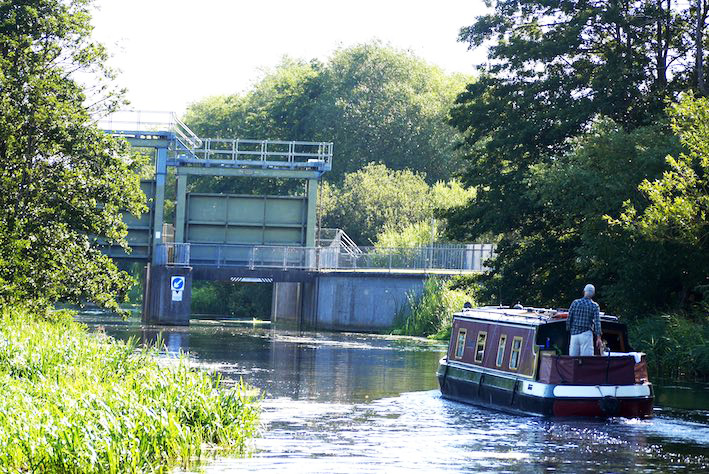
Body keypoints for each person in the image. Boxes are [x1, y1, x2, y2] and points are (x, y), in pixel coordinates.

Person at [566, 284, 602, 356]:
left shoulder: (575, 303)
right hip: (586, 334)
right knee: (586, 360)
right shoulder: (594, 305)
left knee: (573, 359)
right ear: (593, 294)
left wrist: (569, 329)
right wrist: (598, 337)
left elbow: (569, 318)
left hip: (574, 335)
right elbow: (597, 322)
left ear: (584, 291)